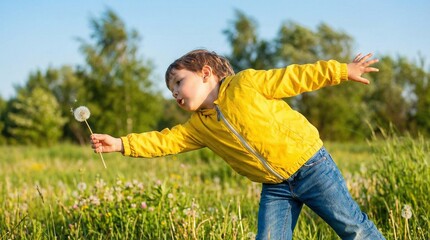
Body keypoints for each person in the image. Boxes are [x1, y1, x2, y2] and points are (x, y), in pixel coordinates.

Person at [90, 49, 385, 239]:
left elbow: (294, 77)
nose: (175, 93)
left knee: (353, 228)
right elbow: (164, 141)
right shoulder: (199, 127)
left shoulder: (246, 84)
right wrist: (120, 144)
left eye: (178, 82)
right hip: (276, 186)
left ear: (206, 73)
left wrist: (341, 70)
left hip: (312, 167)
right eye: (170, 91)